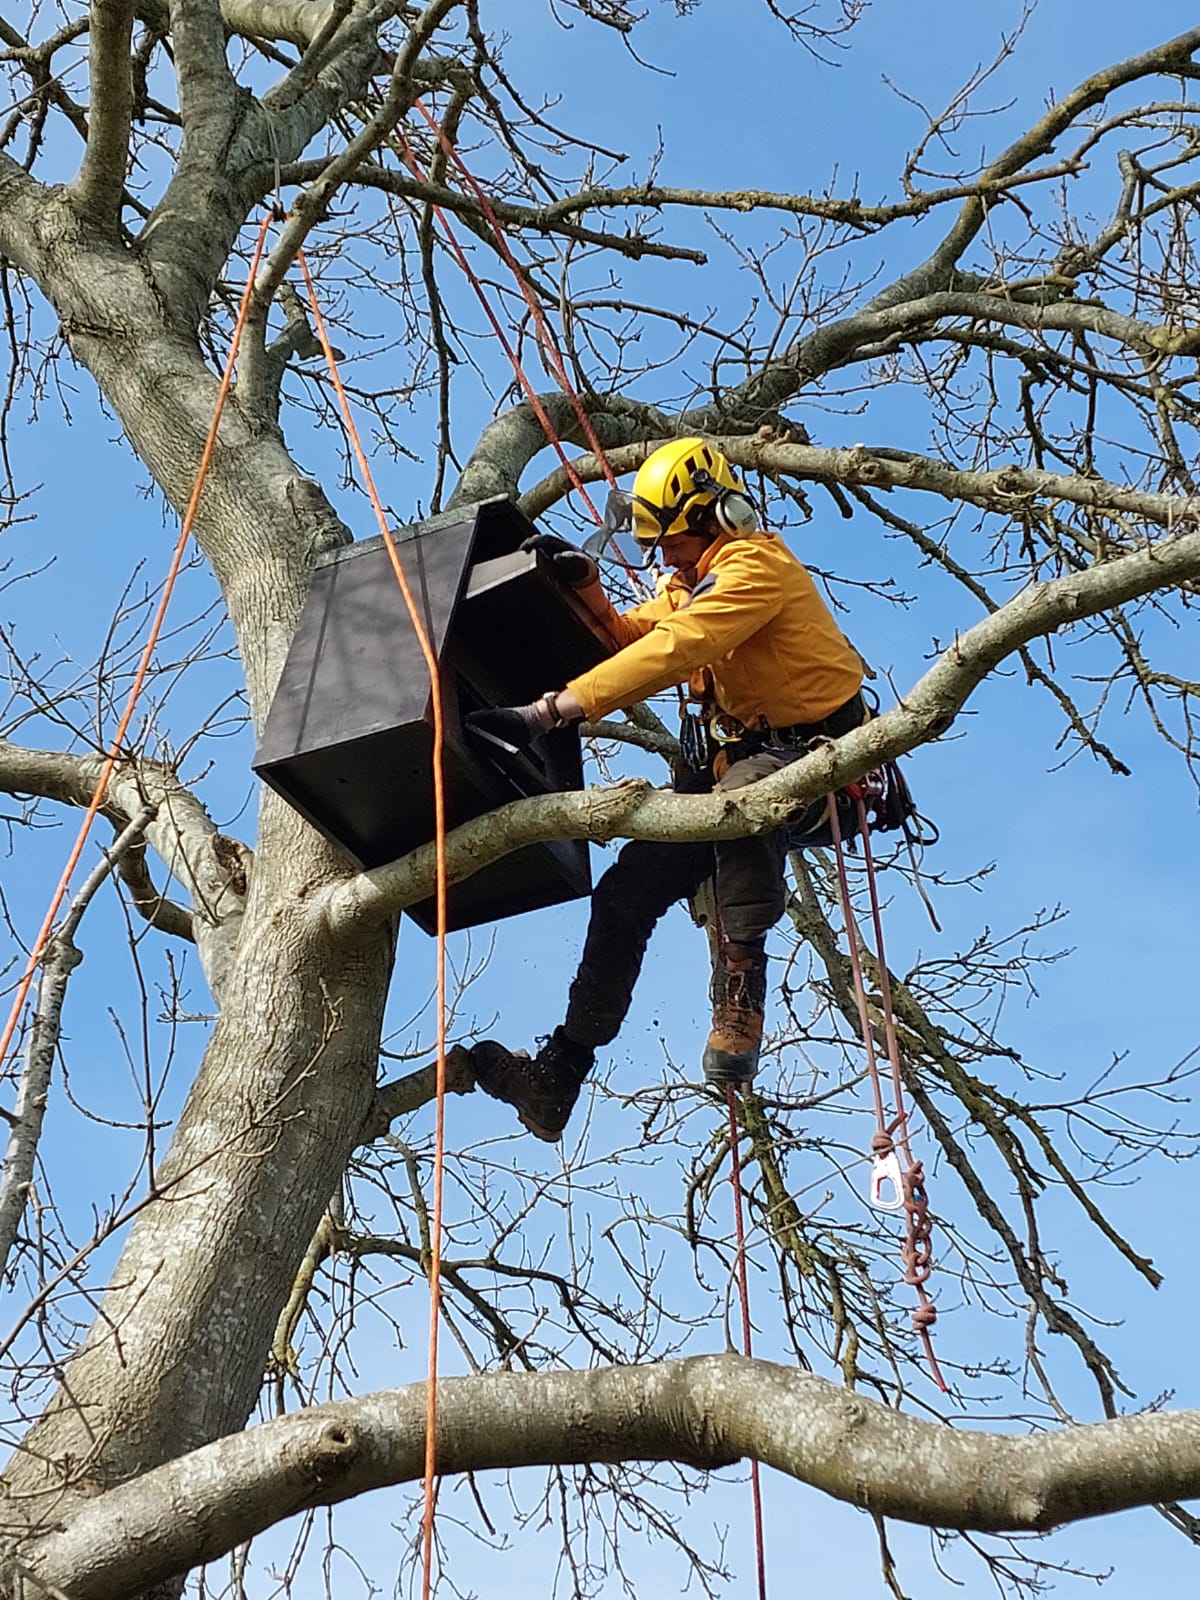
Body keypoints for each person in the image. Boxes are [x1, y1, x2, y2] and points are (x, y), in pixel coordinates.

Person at [465, 438, 866, 1141]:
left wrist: (552, 711)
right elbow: (634, 638)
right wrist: (586, 590)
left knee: (733, 811)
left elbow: (679, 649)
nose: (665, 559)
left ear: (716, 515)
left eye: (673, 542)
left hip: (814, 754)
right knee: (626, 894)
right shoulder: (688, 587)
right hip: (727, 765)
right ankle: (560, 1072)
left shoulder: (755, 569)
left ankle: (739, 991)